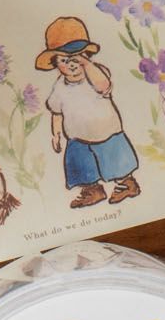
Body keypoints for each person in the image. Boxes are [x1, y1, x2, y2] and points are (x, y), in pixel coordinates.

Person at [36, 17, 140, 209]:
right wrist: (56, 133)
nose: (72, 64)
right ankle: (93, 191)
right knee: (82, 167)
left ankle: (127, 184)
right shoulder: (59, 86)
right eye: (64, 60)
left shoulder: (94, 74)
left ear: (86, 57)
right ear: (55, 63)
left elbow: (104, 86)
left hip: (106, 133)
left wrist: (87, 64)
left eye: (77, 58)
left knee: (116, 163)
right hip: (77, 138)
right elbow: (56, 111)